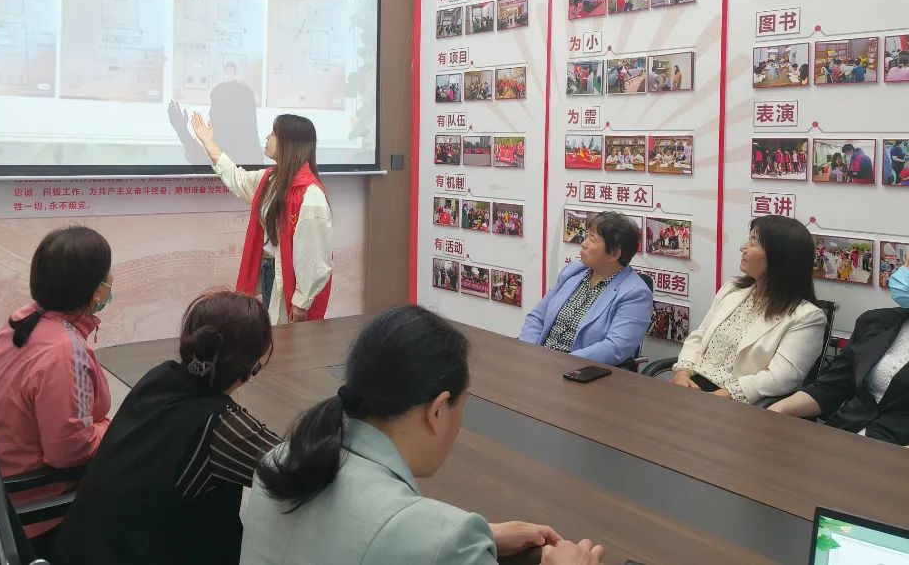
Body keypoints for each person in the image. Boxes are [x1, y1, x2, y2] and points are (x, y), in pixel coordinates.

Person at [241, 305, 604, 564]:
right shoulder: (441, 540)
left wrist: (479, 535)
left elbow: (346, 535)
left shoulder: (281, 462)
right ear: (438, 409)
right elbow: (404, 536)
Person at [56, 290, 279, 565]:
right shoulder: (218, 425)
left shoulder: (159, 378)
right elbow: (298, 466)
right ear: (250, 366)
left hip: (82, 549)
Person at [0, 227, 115, 554]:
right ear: (96, 290)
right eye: (108, 274)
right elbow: (70, 453)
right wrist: (111, 426)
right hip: (36, 510)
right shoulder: (63, 351)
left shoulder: (22, 321)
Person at [172, 103, 332, 325]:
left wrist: (302, 301)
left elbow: (315, 256)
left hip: (290, 280)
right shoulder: (271, 179)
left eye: (273, 134)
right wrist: (208, 141)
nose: (267, 137)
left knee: (288, 337)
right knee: (271, 331)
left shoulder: (311, 195)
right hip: (270, 271)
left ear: (289, 143)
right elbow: (237, 178)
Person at [670, 216, 826, 403]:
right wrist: (682, 373)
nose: (743, 248)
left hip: (738, 402)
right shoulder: (732, 289)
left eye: (753, 243)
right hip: (693, 386)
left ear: (779, 256)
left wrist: (720, 396)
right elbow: (699, 336)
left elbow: (781, 378)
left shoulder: (807, 317)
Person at [769, 265, 909, 445]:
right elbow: (832, 386)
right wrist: (777, 410)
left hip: (894, 450)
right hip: (843, 435)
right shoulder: (876, 322)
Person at [519, 212, 651, 366]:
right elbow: (537, 317)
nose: (584, 243)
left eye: (592, 239)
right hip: (539, 361)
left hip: (579, 370)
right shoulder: (572, 271)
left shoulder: (636, 294)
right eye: (587, 236)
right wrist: (530, 351)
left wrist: (559, 363)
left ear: (614, 254)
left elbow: (615, 348)